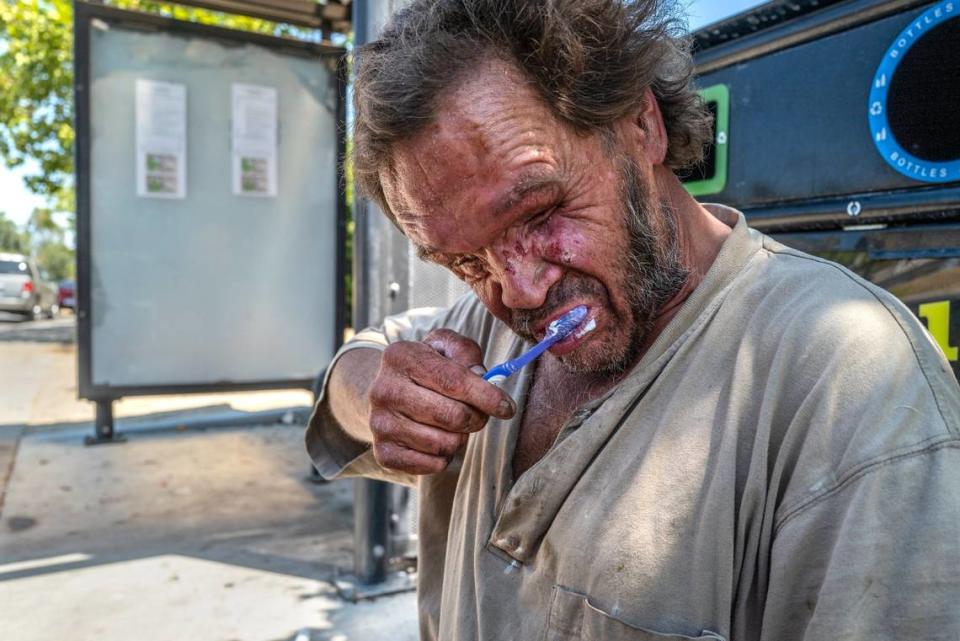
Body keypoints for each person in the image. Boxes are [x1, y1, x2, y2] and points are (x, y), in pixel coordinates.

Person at [306, 0, 960, 639]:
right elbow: (354, 375)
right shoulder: (482, 330)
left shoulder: (848, 379)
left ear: (641, 123)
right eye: (465, 260)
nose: (520, 293)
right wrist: (379, 390)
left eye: (539, 215)